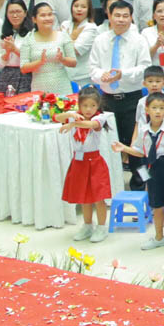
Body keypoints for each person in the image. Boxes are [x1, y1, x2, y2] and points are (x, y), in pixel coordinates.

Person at [111, 91, 164, 255]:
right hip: (152, 169)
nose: (158, 111)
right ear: (147, 110)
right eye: (154, 108)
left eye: (161, 108)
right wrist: (124, 148)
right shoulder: (143, 131)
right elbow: (140, 151)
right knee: (156, 206)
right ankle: (159, 237)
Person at [88, 0, 152, 190]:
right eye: (117, 15)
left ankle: (141, 187)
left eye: (125, 16)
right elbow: (92, 68)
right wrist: (102, 76)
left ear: (131, 18)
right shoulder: (100, 40)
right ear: (109, 16)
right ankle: (110, 187)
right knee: (108, 146)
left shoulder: (139, 40)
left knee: (136, 147)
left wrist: (123, 74)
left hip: (132, 99)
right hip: (107, 101)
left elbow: (145, 68)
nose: (121, 20)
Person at [59, 85, 112, 242]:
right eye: (85, 105)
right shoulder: (75, 117)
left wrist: (72, 124)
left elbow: (91, 125)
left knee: (98, 198)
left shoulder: (99, 118)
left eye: (93, 106)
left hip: (94, 162)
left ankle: (102, 227)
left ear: (98, 106)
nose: (89, 109)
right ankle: (87, 225)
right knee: (84, 197)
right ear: (79, 105)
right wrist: (69, 114)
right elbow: (57, 118)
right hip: (78, 162)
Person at [19, 1, 77, 94]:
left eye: (50, 15)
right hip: (39, 89)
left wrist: (62, 59)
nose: (47, 18)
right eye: (43, 15)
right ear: (34, 19)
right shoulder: (29, 39)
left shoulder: (63, 36)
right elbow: (23, 68)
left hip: (62, 87)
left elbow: (73, 62)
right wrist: (39, 62)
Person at [0, 0, 32, 94]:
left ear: (25, 13)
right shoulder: (1, 33)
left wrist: (14, 49)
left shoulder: (32, 34)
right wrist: (7, 52)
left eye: (18, 12)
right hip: (6, 75)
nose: (15, 15)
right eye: (11, 12)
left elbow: (32, 58)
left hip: (26, 75)